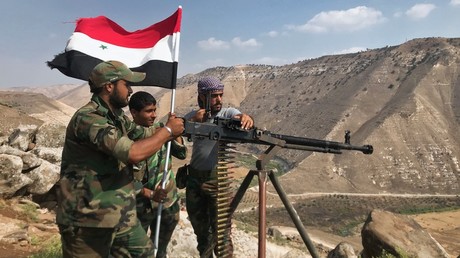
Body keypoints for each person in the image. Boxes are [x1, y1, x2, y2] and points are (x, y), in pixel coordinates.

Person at [56, 60, 184, 258]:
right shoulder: (88, 118)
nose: (131, 90)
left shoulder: (117, 117)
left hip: (119, 215)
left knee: (145, 254)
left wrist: (178, 126)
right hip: (87, 219)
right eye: (127, 84)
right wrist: (167, 131)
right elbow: (133, 153)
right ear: (109, 86)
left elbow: (142, 132)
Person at [184, 77, 254, 257]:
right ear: (202, 96)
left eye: (221, 95)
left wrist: (246, 118)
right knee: (202, 236)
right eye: (214, 96)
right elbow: (175, 130)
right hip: (194, 181)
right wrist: (193, 119)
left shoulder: (227, 113)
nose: (219, 100)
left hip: (219, 183)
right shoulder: (194, 116)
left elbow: (240, 118)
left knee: (222, 237)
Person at [128, 91, 187, 258]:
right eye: (148, 111)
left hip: (167, 204)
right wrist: (148, 193)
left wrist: (175, 133)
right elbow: (121, 176)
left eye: (155, 110)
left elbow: (181, 154)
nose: (154, 115)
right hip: (139, 206)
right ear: (134, 112)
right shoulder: (126, 138)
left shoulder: (162, 131)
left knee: (160, 251)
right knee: (137, 253)